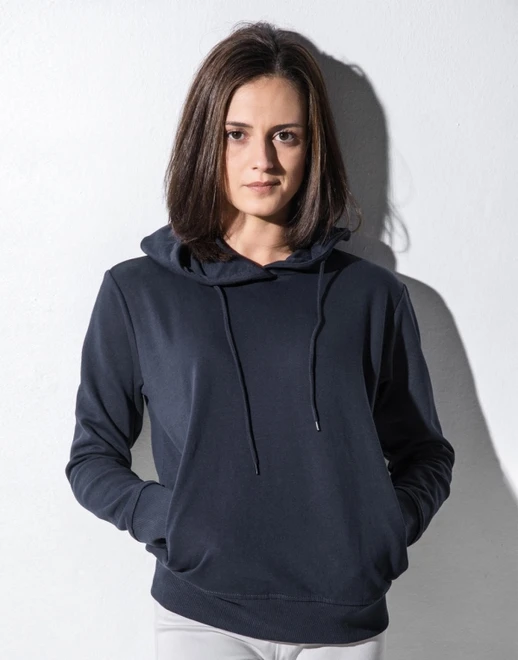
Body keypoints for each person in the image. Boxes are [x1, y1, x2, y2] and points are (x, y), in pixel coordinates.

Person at [65, 20, 455, 660]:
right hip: (201, 613)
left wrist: (383, 530)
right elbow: (91, 458)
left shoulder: (371, 296)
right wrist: (173, 522)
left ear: (312, 147)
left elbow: (426, 453)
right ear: (205, 140)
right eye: (237, 134)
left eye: (285, 135)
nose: (263, 161)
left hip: (344, 619)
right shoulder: (139, 292)